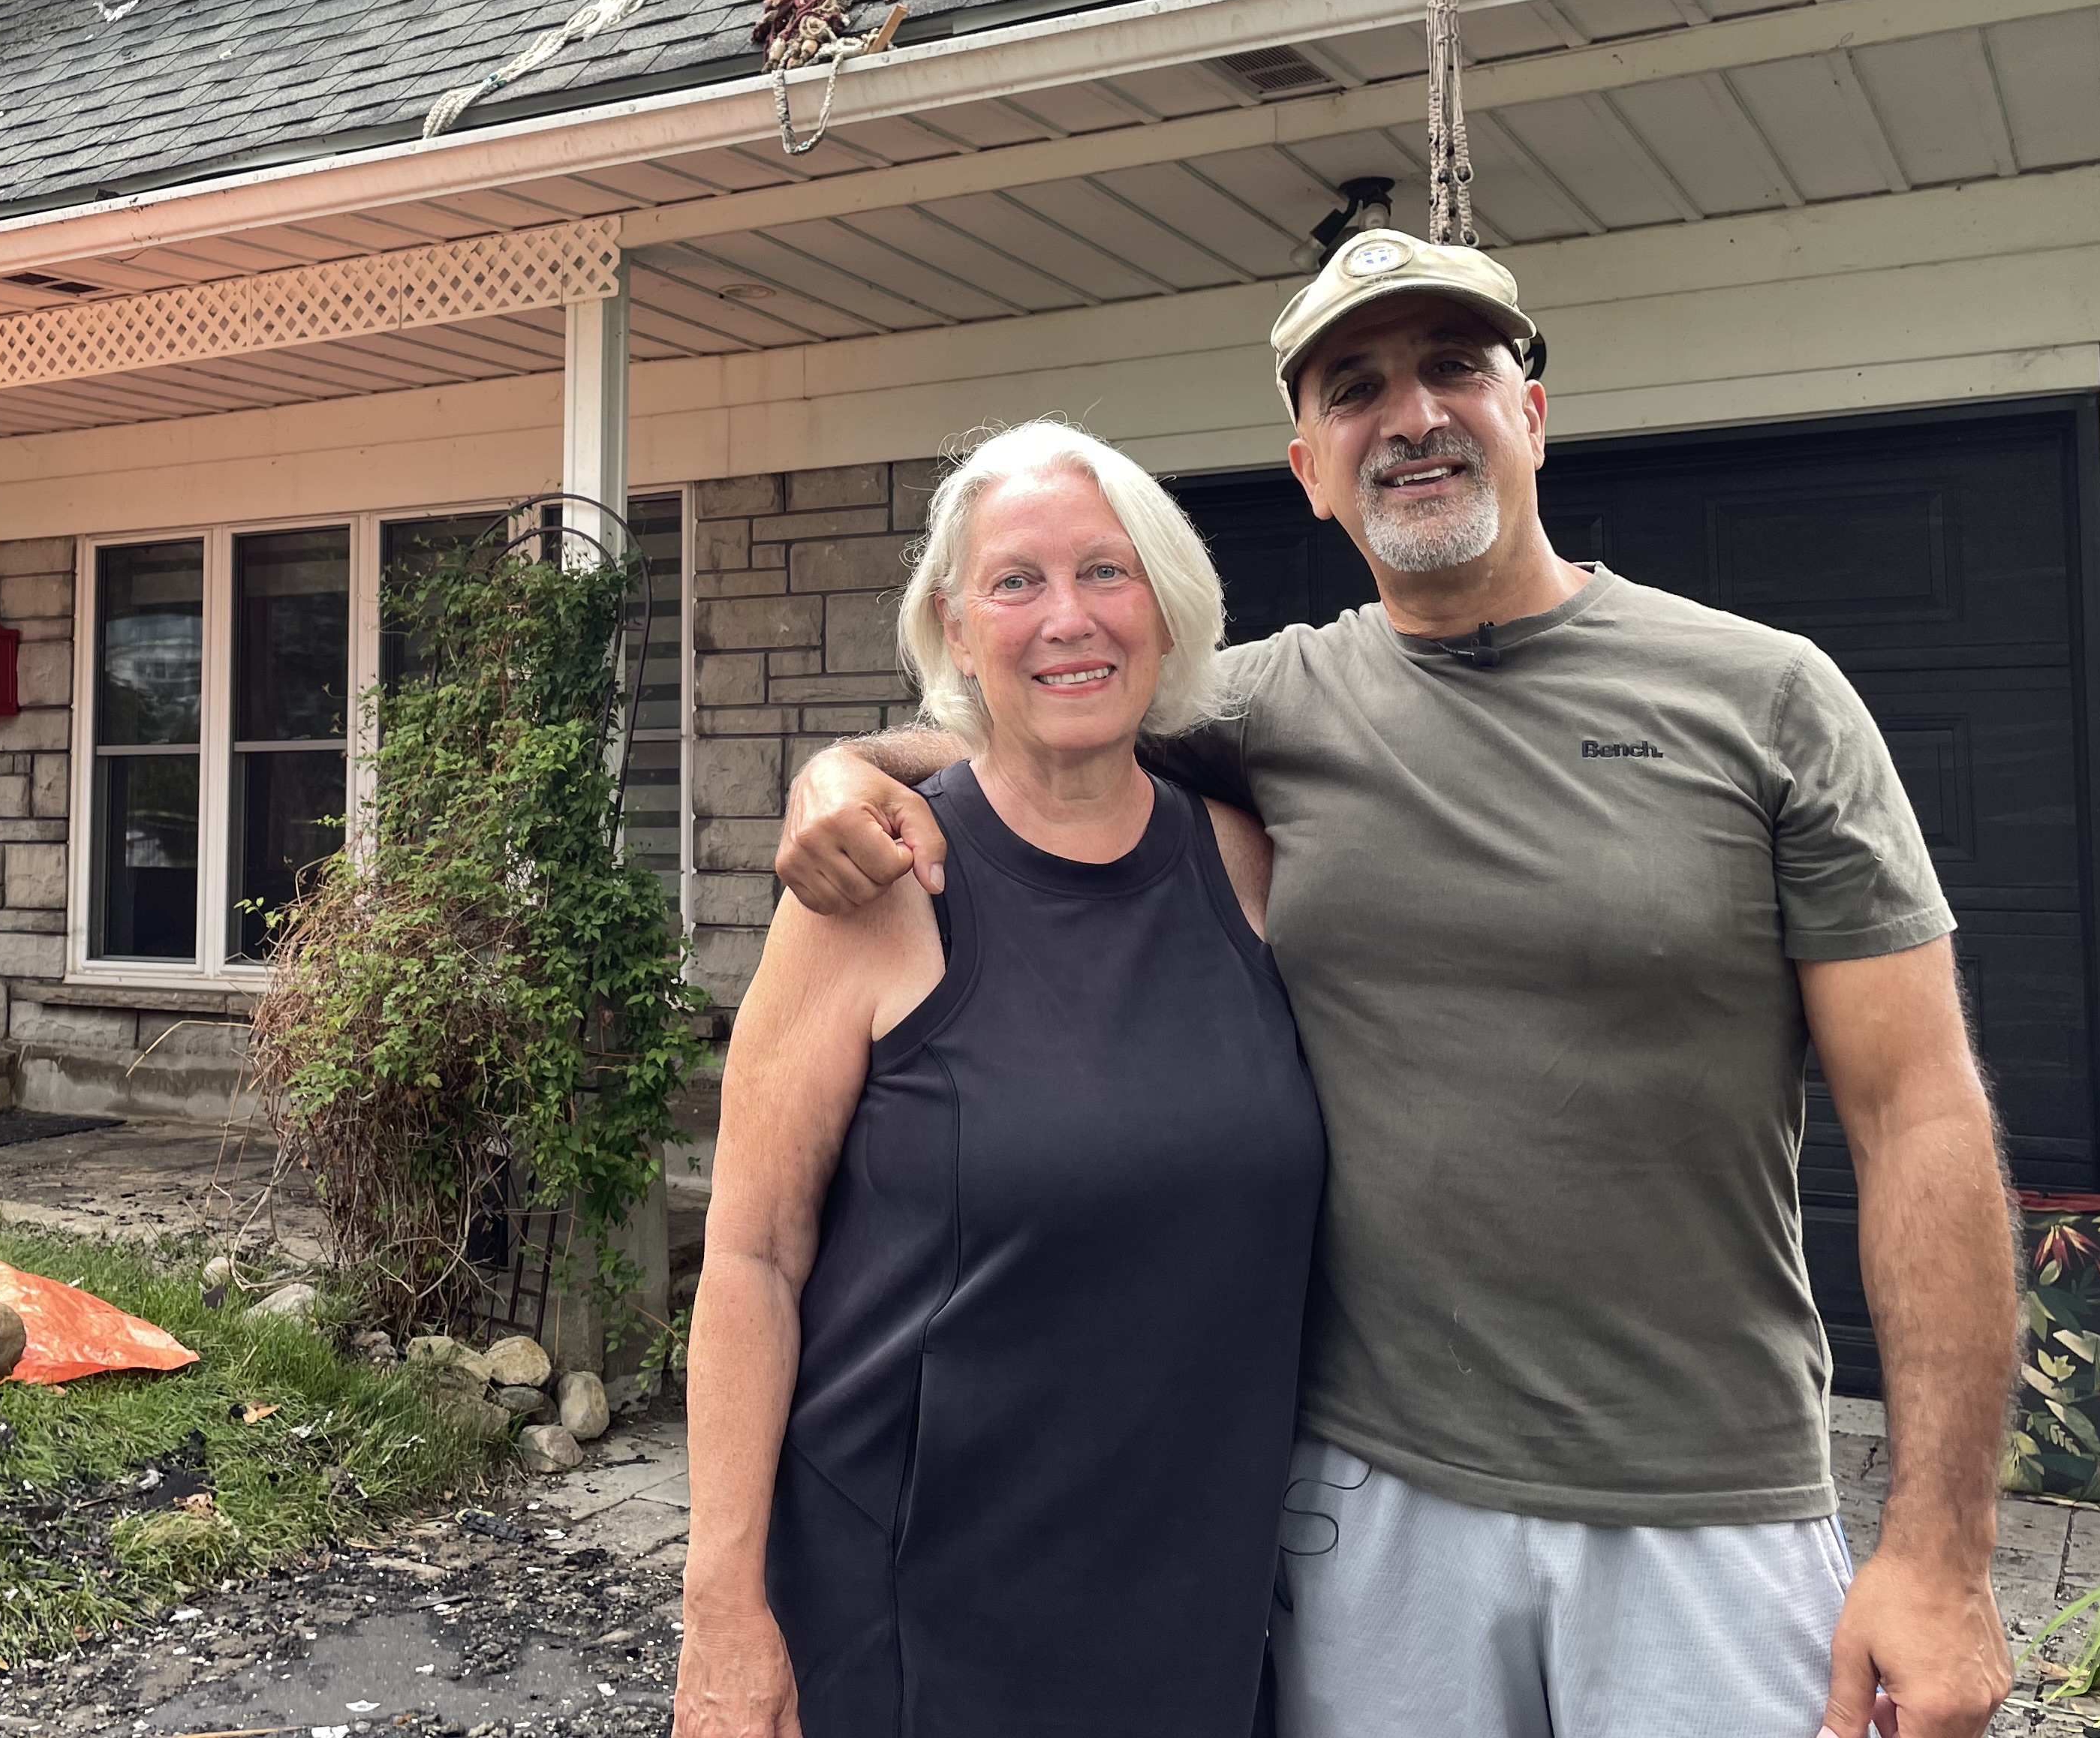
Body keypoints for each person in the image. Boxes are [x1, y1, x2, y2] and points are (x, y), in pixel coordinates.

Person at [773, 230, 2018, 1738]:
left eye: (1455, 368)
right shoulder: (1273, 706)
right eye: (1356, 388)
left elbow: (1920, 1117)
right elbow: (1045, 717)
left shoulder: (1767, 698)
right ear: (1310, 468)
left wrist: (1940, 1553)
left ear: (1532, 414)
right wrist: (841, 769)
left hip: (1705, 1505)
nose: (1413, 414)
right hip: (1372, 1509)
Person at [675, 420, 1327, 1738]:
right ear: (956, 632)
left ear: (1167, 608)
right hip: (912, 1609)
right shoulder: (875, 889)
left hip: (1193, 1597)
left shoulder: (1256, 868)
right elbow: (750, 1257)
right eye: (1015, 581)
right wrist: (723, 1609)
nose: (1066, 618)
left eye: (1106, 571)